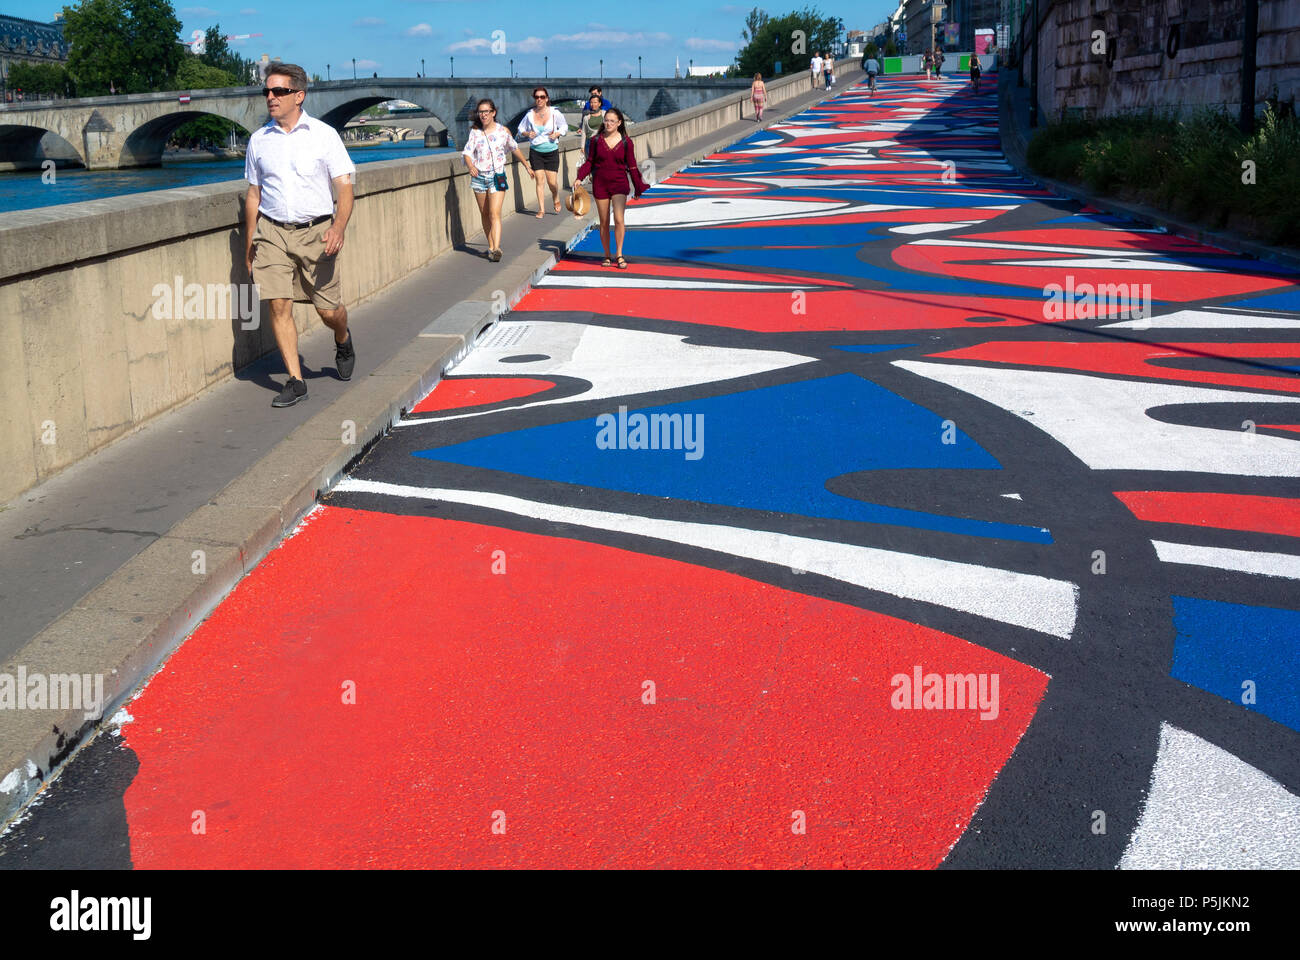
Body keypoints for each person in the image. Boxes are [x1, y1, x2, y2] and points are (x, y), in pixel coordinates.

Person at [243, 62, 356, 408]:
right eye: (267, 91)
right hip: (272, 232)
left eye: (279, 91)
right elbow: (253, 195)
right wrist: (250, 243)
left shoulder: (324, 135)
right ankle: (296, 380)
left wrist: (338, 227)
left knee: (328, 310)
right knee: (278, 303)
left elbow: (345, 188)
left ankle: (343, 337)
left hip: (316, 232)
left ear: (299, 95)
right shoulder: (259, 140)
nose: (271, 98)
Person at [576, 107, 649, 269]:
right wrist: (579, 178)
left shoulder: (626, 142)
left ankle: (620, 254)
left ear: (619, 123)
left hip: (619, 183)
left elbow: (632, 166)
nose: (608, 123)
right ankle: (607, 255)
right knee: (604, 221)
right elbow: (590, 162)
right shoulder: (596, 141)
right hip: (600, 184)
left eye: (612, 121)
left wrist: (638, 187)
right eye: (606, 120)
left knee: (619, 219)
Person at [461, 98, 533, 262]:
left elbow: (514, 148)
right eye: (481, 112)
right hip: (479, 176)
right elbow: (467, 152)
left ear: (493, 113)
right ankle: (491, 246)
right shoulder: (475, 132)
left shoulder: (503, 131)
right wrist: (470, 166)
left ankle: (496, 248)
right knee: (485, 213)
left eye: (486, 111)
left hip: (497, 176)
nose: (483, 115)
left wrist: (527, 166)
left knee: (494, 213)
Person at [517, 86, 569, 217]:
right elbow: (520, 129)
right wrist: (528, 133)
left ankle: (555, 197)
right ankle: (541, 209)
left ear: (547, 99)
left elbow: (564, 126)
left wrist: (557, 133)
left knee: (552, 182)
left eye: (542, 97)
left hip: (551, 151)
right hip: (536, 151)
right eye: (537, 97)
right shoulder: (529, 115)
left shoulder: (554, 113)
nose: (539, 99)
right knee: (539, 180)